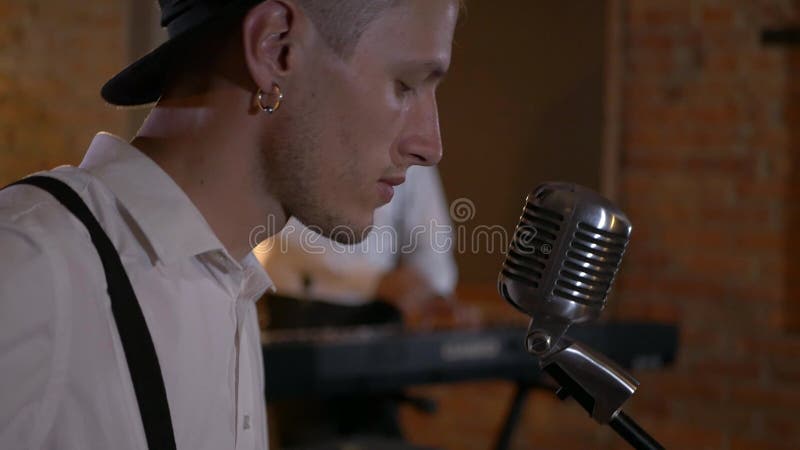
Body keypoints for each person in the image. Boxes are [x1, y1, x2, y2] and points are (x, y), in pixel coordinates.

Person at [0, 1, 459, 449]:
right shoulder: (29, 269)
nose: (430, 145)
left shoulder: (229, 287)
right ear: (275, 47)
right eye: (405, 85)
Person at [257, 165, 458, 324]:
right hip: (301, 309)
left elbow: (431, 238)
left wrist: (433, 291)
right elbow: (287, 234)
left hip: (383, 311)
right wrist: (374, 281)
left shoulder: (407, 141)